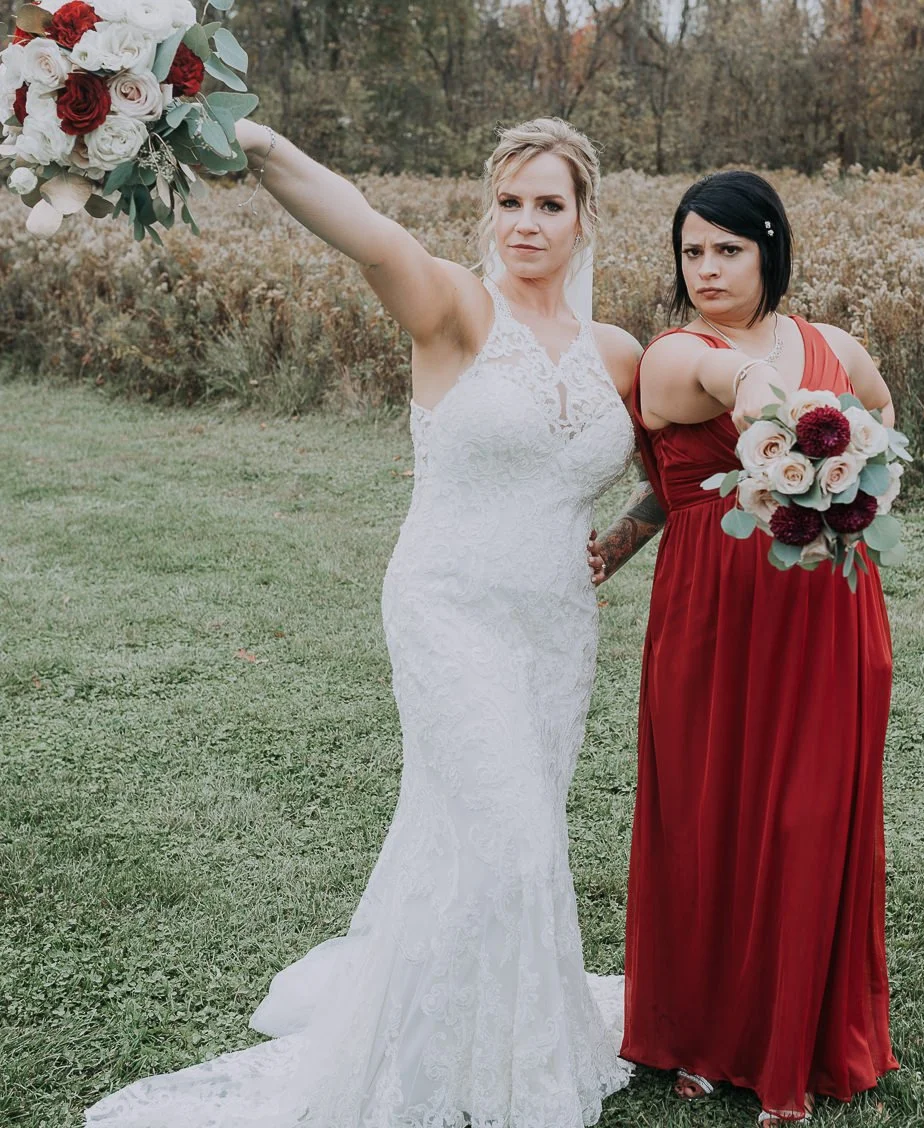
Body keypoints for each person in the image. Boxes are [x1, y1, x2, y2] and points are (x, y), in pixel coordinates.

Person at [86, 117, 642, 1128]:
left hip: (554, 634)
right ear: (489, 211)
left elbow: (676, 471)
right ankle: (492, 1084)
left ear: (584, 218)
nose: (526, 222)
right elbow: (368, 230)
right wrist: (253, 142)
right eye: (509, 201)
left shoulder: (619, 353)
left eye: (548, 204)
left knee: (498, 842)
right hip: (451, 611)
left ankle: (483, 1027)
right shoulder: (458, 311)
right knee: (514, 840)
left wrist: (627, 537)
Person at [589, 170, 899, 1125]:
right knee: (709, 812)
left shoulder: (835, 346)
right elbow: (707, 433)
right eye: (693, 251)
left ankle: (793, 1039)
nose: (709, 268)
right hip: (712, 619)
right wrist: (775, 397)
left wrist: (856, 493)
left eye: (729, 248)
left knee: (805, 818)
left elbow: (882, 434)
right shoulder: (678, 353)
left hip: (827, 614)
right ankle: (704, 1033)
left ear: (771, 249)